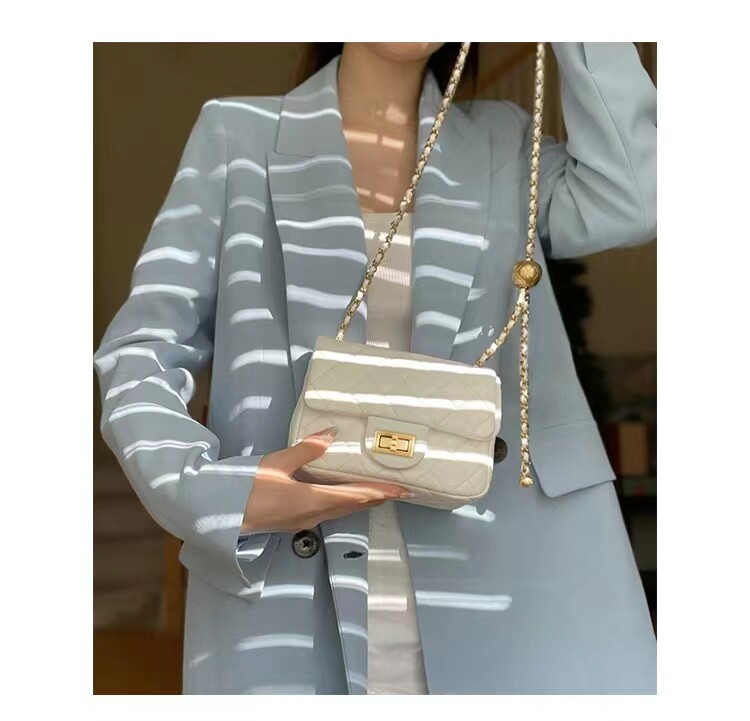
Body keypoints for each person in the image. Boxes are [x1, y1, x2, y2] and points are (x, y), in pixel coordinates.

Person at [93, 42, 657, 694]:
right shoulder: (236, 135)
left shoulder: (505, 141)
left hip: (523, 587)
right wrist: (215, 490)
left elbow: (636, 195)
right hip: (293, 580)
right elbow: (143, 348)